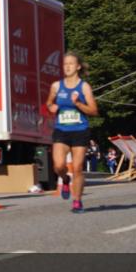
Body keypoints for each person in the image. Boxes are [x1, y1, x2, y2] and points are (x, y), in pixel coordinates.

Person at [46, 52, 99, 212]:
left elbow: (94, 110)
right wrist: (52, 107)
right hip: (61, 130)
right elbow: (49, 102)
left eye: (70, 64)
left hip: (79, 130)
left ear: (78, 67)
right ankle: (64, 180)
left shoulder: (84, 87)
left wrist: (78, 104)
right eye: (64, 64)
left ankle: (77, 200)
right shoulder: (56, 86)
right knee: (59, 165)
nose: (67, 67)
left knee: (77, 167)